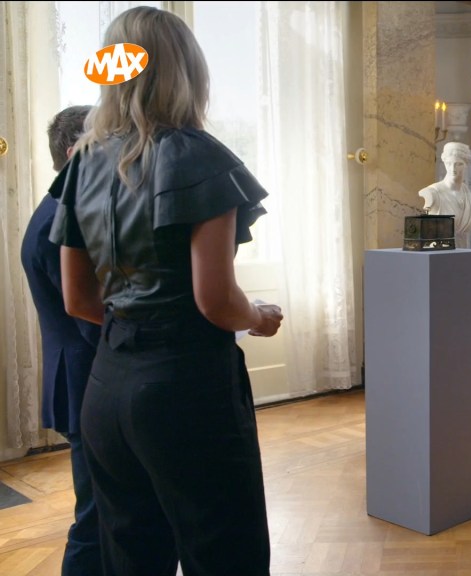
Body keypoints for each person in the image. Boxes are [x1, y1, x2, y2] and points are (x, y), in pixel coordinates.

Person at [49, 7, 283, 574]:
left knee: (131, 555)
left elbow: (78, 299)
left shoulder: (84, 161)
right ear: (186, 69)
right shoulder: (198, 156)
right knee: (225, 553)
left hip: (107, 387)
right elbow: (216, 300)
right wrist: (258, 316)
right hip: (186, 388)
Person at [20, 105, 101, 576]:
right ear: (76, 153)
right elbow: (85, 313)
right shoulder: (61, 220)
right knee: (95, 517)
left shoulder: (53, 210)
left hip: (78, 375)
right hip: (84, 377)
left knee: (102, 509)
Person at [419, 141, 471, 248]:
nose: (453, 169)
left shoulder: (467, 193)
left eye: (459, 164)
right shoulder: (433, 192)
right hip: (440, 250)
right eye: (449, 163)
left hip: (463, 250)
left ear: (466, 165)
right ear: (444, 162)